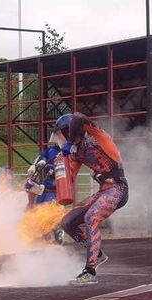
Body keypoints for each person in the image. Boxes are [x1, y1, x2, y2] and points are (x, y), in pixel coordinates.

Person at [55, 112, 128, 285]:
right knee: (67, 222)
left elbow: (79, 117)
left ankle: (90, 271)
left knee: (90, 218)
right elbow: (69, 179)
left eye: (60, 135)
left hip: (118, 188)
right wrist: (61, 165)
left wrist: (70, 143)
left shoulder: (99, 137)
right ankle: (98, 253)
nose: (60, 140)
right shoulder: (77, 152)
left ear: (68, 131)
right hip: (103, 191)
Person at [24, 137, 65, 244]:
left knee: (50, 213)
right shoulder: (51, 150)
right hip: (44, 189)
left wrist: (50, 166)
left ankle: (57, 232)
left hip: (56, 189)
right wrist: (35, 165)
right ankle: (47, 241)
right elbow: (41, 157)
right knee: (39, 213)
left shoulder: (68, 151)